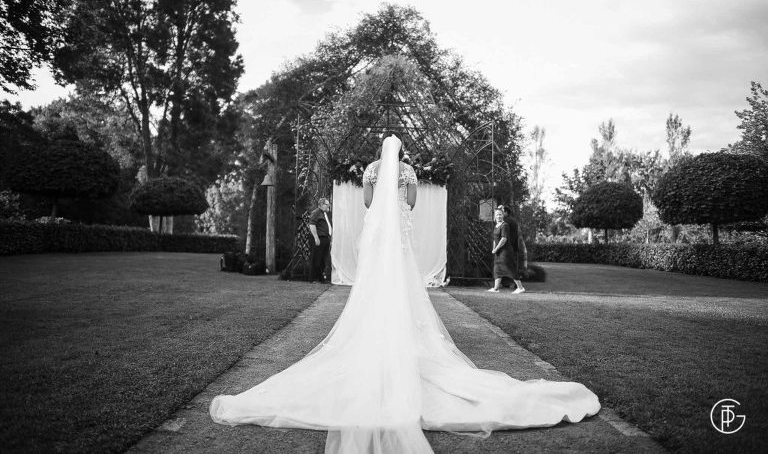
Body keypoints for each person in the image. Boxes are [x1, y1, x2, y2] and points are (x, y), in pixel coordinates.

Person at [210, 135, 599, 454]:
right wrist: (398, 203)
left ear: (381, 150)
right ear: (401, 152)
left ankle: (373, 335)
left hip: (378, 234)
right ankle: (405, 337)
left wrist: (381, 201)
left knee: (373, 282)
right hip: (399, 234)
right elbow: (411, 203)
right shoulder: (409, 171)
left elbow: (367, 203)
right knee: (403, 280)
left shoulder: (370, 170)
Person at [488, 205, 525, 293]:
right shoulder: (496, 225)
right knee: (497, 269)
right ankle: (496, 288)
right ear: (495, 216)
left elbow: (504, 239)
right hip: (498, 251)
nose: (499, 216)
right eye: (497, 215)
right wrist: (494, 248)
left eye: (500, 214)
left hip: (505, 252)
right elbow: (495, 239)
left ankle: (520, 288)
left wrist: (496, 249)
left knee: (510, 268)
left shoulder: (505, 225)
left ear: (503, 215)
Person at [308, 197, 332, 283]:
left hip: (325, 238)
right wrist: (316, 237)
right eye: (327, 204)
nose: (328, 206)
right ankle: (313, 278)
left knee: (322, 260)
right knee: (316, 259)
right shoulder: (316, 212)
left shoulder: (324, 213)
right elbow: (312, 225)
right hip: (319, 238)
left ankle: (320, 278)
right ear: (321, 204)